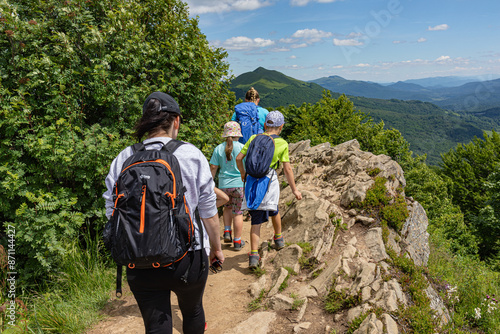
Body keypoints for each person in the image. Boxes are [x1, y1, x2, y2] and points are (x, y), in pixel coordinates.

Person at [103, 91, 224, 334]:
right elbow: (209, 211)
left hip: (138, 259)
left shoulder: (124, 157)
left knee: (156, 326)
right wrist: (217, 248)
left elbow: (111, 211)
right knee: (192, 311)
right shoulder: (191, 154)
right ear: (176, 121)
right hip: (188, 257)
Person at [236, 110, 302, 269]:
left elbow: (239, 158)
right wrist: (294, 190)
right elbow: (287, 170)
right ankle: (278, 239)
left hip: (252, 180)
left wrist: (244, 174)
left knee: (256, 219)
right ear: (282, 127)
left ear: (265, 124)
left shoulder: (253, 138)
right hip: (269, 180)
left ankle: (253, 255)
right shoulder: (282, 143)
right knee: (274, 209)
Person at [210, 121, 246, 251]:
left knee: (227, 208)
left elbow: (213, 167)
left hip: (223, 185)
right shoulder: (242, 147)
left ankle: (226, 232)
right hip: (239, 185)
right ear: (238, 134)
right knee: (238, 212)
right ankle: (237, 241)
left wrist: (209, 183)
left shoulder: (218, 148)